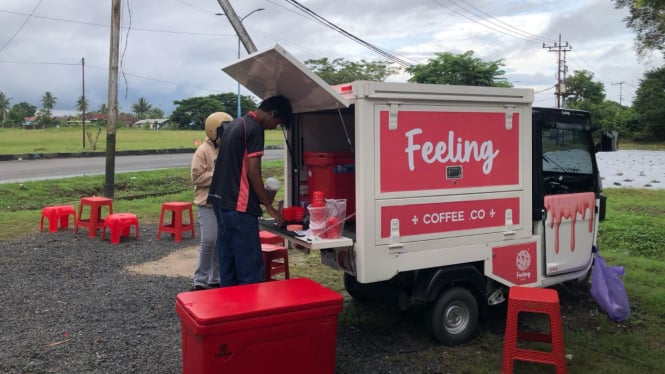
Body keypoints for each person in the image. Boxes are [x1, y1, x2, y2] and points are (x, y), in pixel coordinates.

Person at [207, 95, 291, 286]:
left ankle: (231, 310)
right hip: (239, 207)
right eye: (277, 122)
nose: (274, 127)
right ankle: (252, 311)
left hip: (221, 203)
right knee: (250, 269)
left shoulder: (236, 124)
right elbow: (253, 172)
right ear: (273, 113)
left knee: (228, 264)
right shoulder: (254, 129)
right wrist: (269, 206)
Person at [190, 112, 233, 291]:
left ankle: (215, 278)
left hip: (222, 202)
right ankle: (199, 280)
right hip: (206, 203)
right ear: (214, 132)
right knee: (209, 240)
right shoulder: (203, 150)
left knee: (220, 241)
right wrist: (220, 174)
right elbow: (197, 177)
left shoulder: (227, 148)